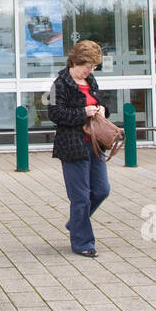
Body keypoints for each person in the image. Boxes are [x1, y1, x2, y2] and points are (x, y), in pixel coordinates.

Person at [47, 40, 110, 258]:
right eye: (88, 66)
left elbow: (100, 104)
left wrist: (102, 109)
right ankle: (83, 243)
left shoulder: (90, 80)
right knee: (81, 196)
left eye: (93, 67)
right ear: (76, 61)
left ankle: (76, 223)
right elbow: (55, 114)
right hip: (72, 146)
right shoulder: (60, 83)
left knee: (102, 190)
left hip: (94, 143)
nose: (90, 71)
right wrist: (84, 112)